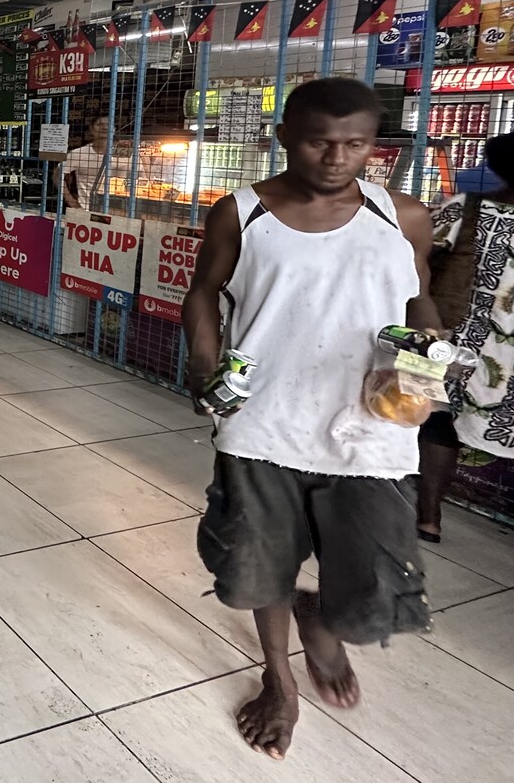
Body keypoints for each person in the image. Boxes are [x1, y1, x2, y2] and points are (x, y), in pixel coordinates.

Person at [182, 77, 438, 761]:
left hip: (372, 428)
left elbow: (418, 299)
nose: (336, 157)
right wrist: (204, 366)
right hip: (263, 423)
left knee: (376, 587)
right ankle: (279, 679)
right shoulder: (242, 213)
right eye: (319, 142)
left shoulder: (403, 217)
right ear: (285, 138)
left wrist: (427, 364)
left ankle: (321, 617)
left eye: (355, 144)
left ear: (373, 145)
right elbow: (204, 291)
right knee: (257, 566)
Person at [416, 132, 514, 542]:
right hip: (497, 353)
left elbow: (419, 258)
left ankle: (428, 517)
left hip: (444, 333)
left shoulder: (466, 207)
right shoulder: (465, 206)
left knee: (433, 421)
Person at [64, 115, 111, 209]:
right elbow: (57, 176)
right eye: (100, 124)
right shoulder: (78, 153)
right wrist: (72, 201)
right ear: (91, 129)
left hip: (119, 212)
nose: (105, 127)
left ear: (114, 129)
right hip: (87, 209)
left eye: (109, 124)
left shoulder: (126, 154)